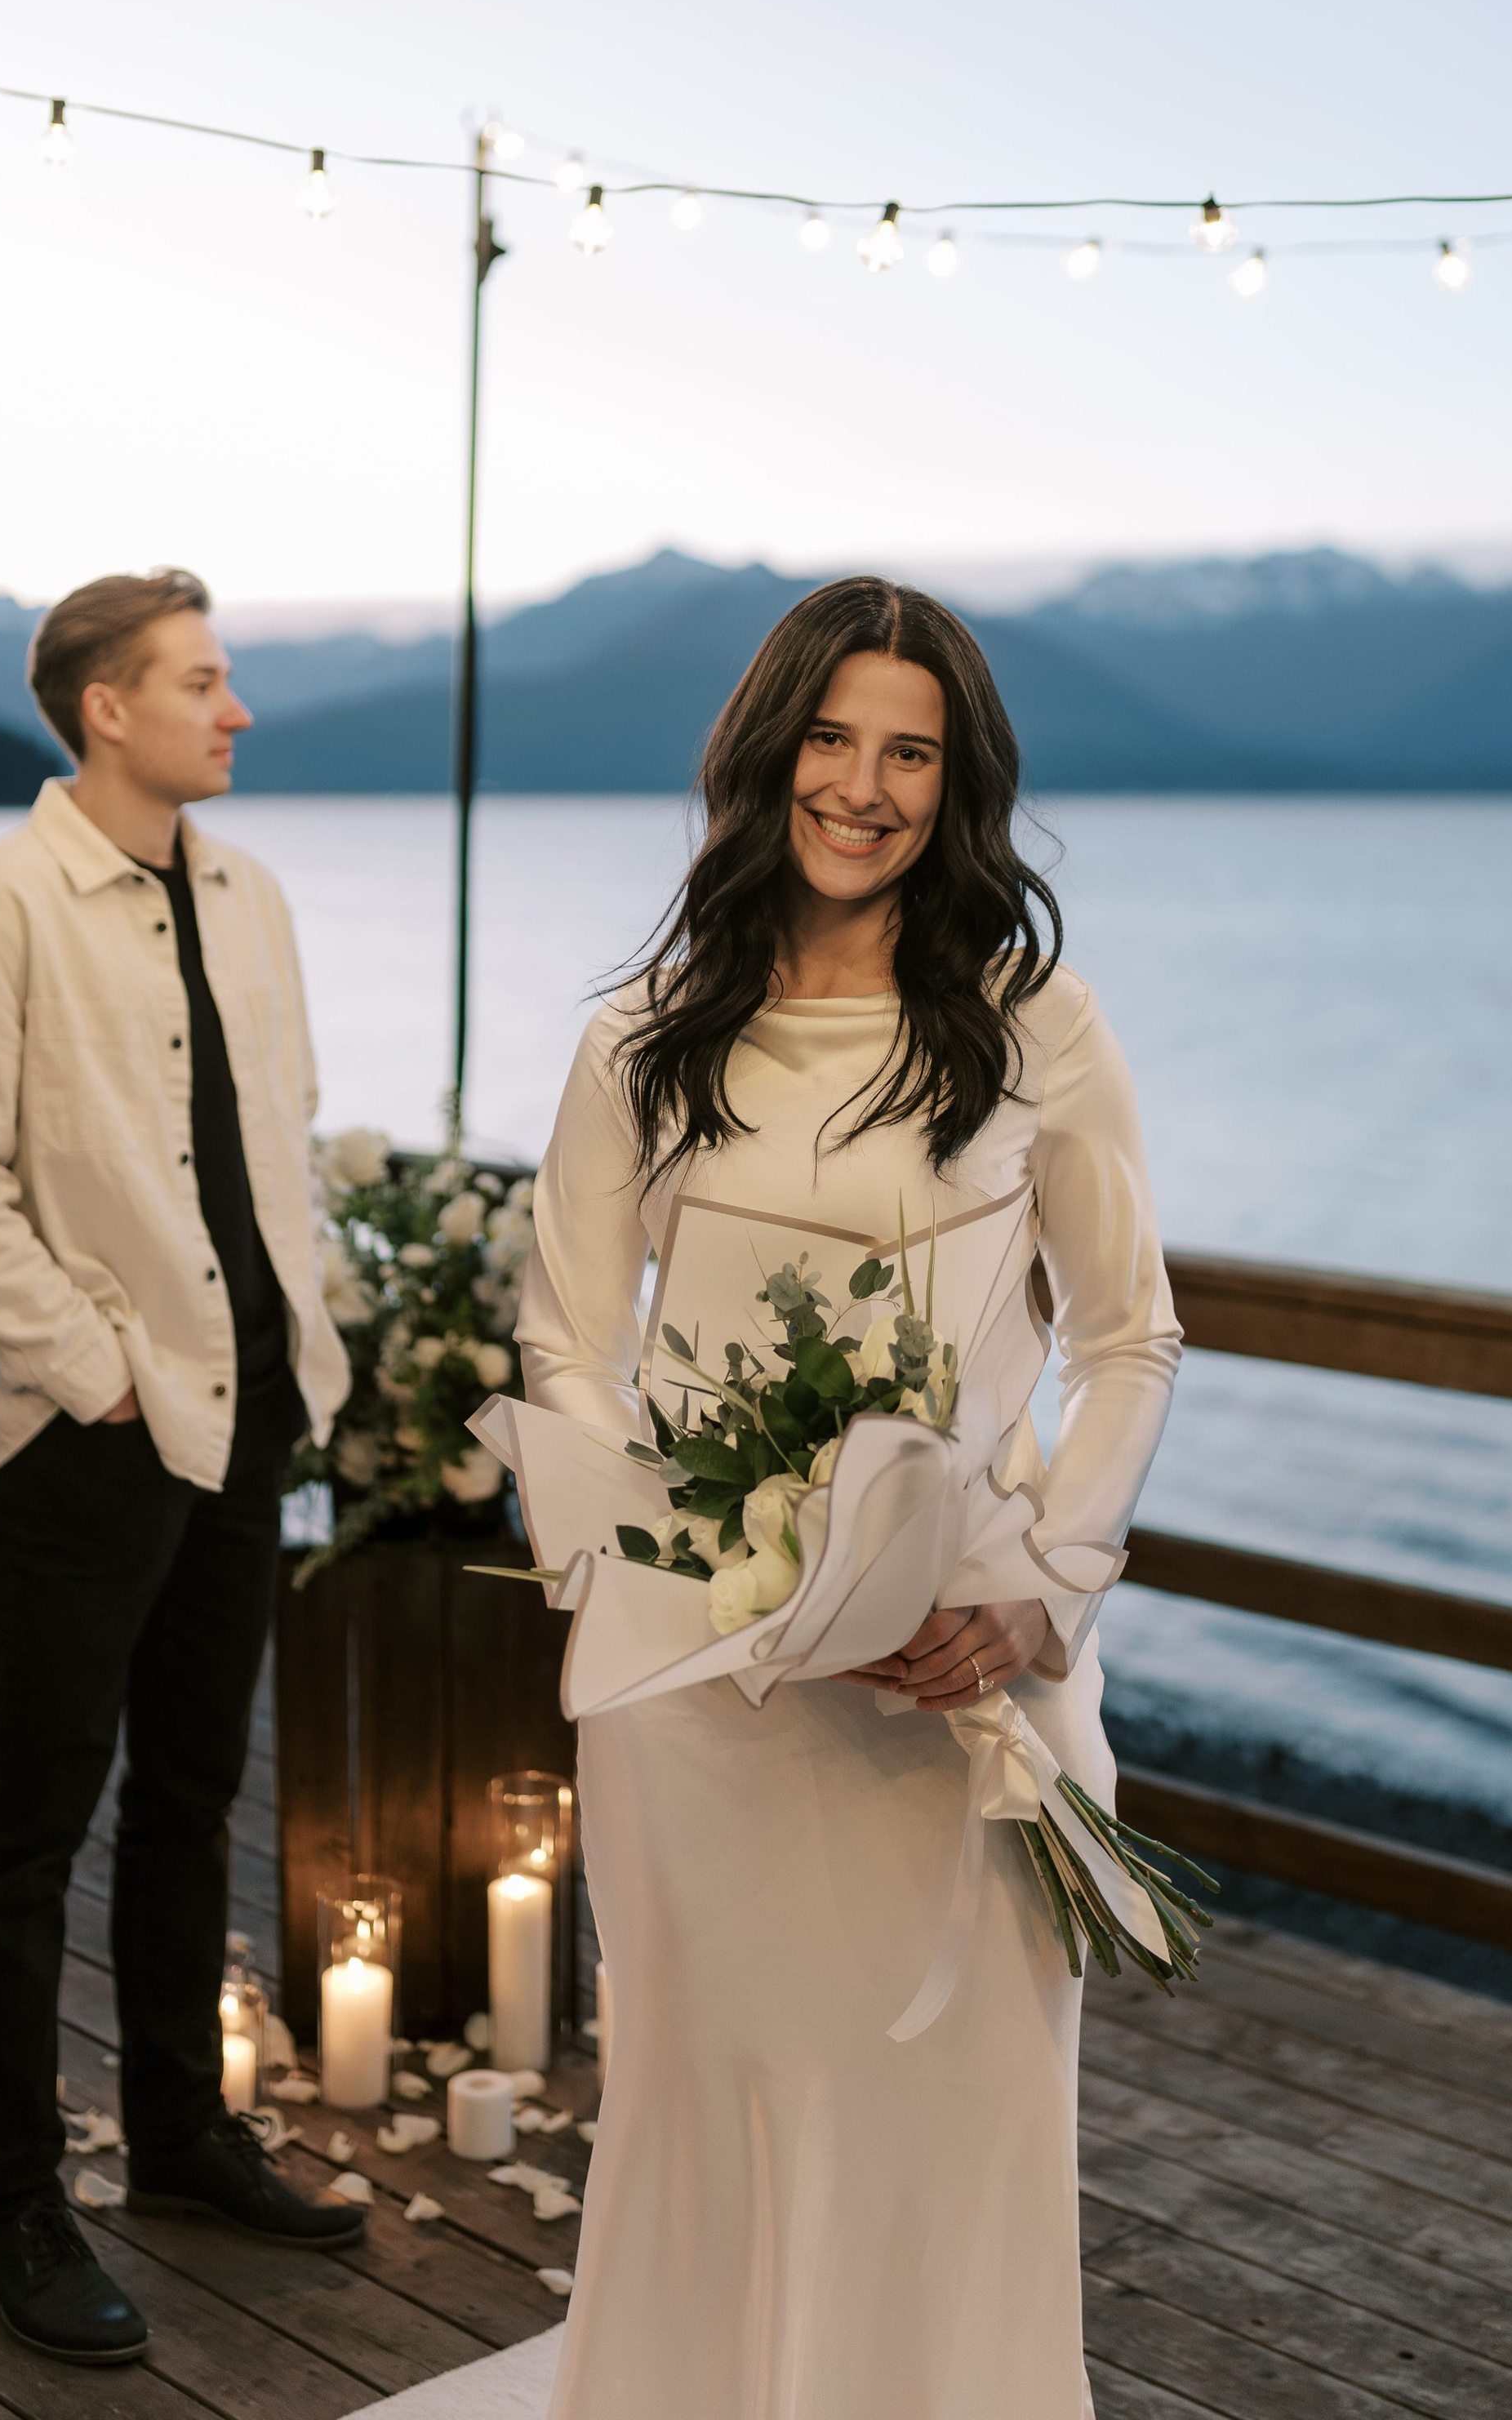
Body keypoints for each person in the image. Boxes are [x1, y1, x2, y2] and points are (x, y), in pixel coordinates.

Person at [518, 576, 1182, 2419]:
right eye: (830, 738)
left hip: (962, 1677)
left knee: (953, 2123)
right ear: (765, 751)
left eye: (911, 753)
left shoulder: (1034, 1023)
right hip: (707, 1702)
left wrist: (1041, 1595)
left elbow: (1127, 1339)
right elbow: (568, 1348)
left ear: (957, 787)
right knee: (709, 2103)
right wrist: (681, 1580)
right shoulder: (643, 1036)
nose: (863, 788)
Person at [0, 567, 362, 2367]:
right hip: (93, 1431)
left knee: (192, 1793)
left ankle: (178, 2138)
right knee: (30, 1823)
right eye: (201, 682)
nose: (234, 712)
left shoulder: (253, 898)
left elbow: (278, 1144)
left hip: (247, 1409)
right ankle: (10, 2208)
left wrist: (305, 1349)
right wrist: (90, 1373)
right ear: (106, 705)